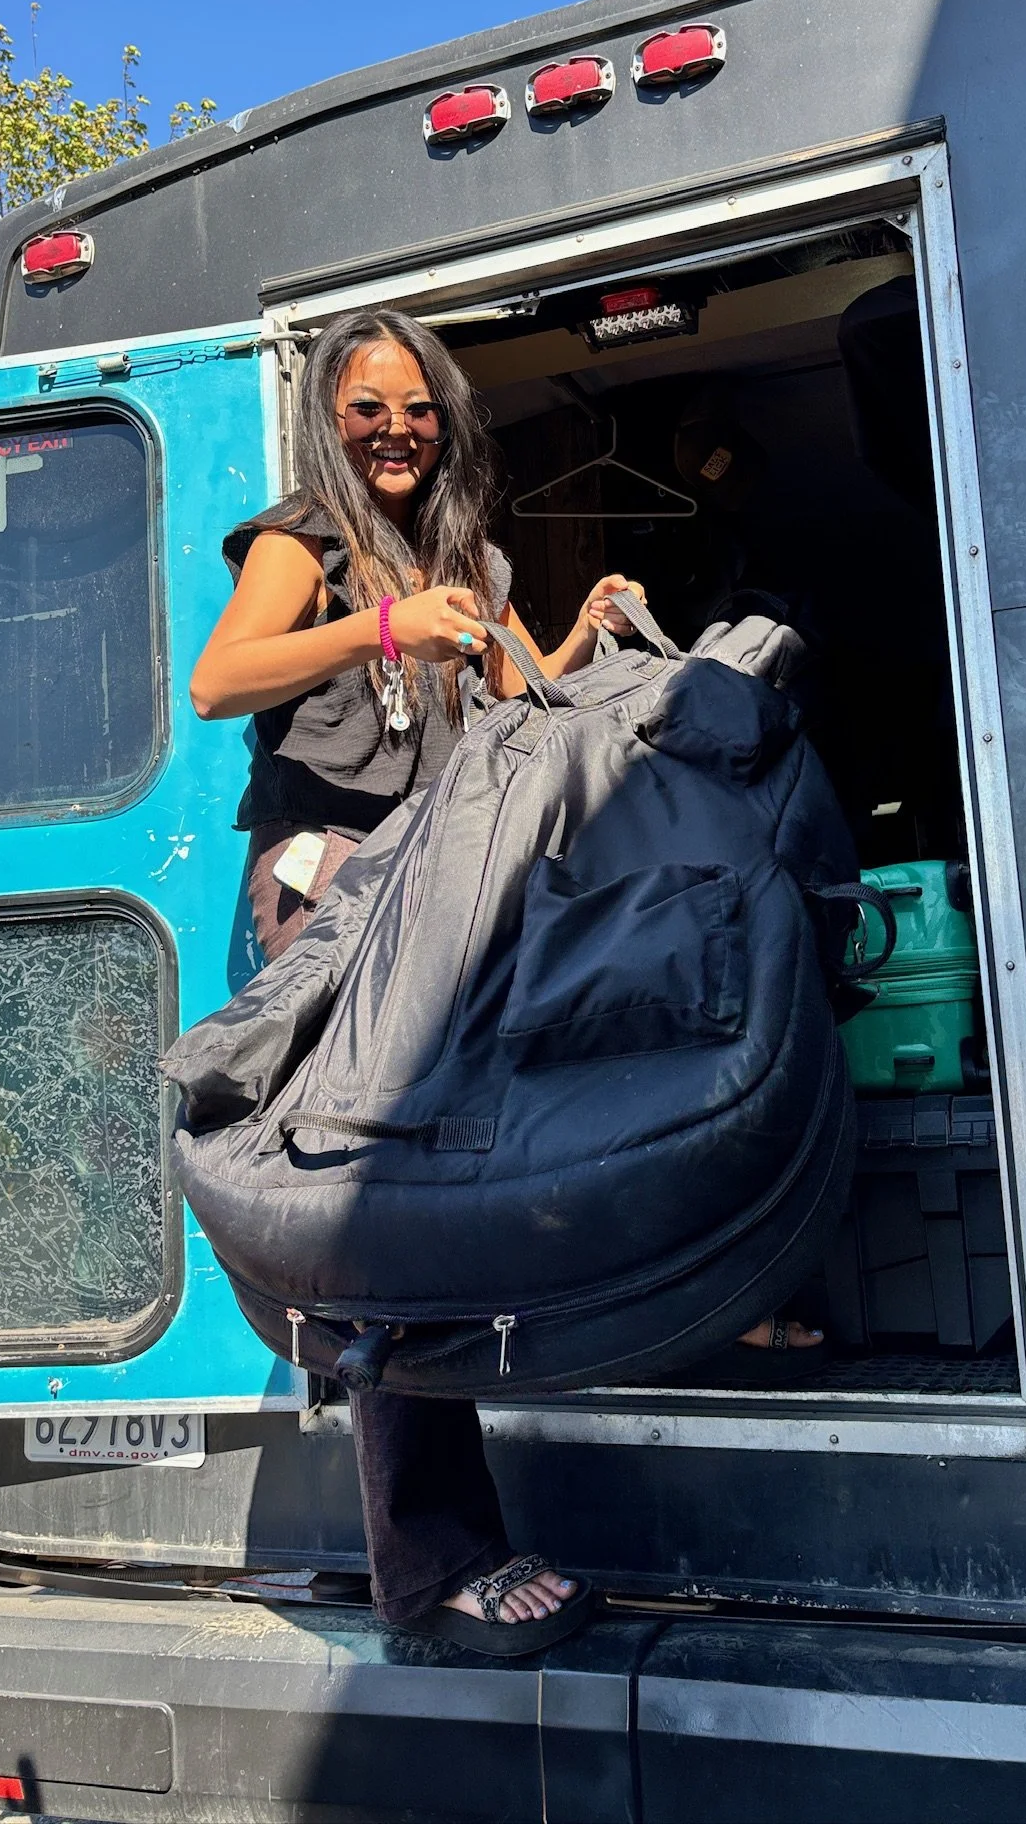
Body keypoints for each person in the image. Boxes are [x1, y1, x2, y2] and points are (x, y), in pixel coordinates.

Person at [191, 305, 815, 1652]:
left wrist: (579, 637)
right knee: (383, 1212)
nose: (396, 431)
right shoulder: (304, 543)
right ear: (331, 420)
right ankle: (431, 1576)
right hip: (329, 885)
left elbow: (522, 704)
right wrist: (381, 625)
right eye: (368, 409)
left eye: (416, 407)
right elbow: (219, 680)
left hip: (442, 891)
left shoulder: (464, 555)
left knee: (470, 1165)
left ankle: (669, 1294)